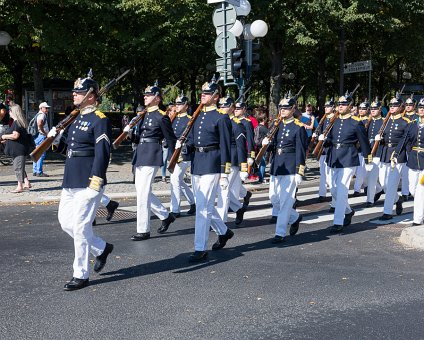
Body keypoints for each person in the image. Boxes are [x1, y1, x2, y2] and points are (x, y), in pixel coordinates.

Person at [49, 71, 114, 291]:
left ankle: (80, 274)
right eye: (74, 91)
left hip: (88, 180)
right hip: (71, 179)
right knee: (66, 223)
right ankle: (102, 248)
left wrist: (96, 180)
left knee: (80, 227)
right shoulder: (76, 118)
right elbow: (68, 149)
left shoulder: (100, 120)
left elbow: (102, 152)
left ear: (91, 95)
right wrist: (55, 140)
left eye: (78, 92)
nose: (74, 95)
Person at [177, 75, 234, 262]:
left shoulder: (221, 118)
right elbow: (193, 138)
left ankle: (200, 247)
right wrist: (183, 147)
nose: (203, 95)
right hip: (197, 162)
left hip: (212, 163)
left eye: (207, 93)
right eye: (202, 93)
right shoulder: (198, 115)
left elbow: (225, 146)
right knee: (206, 205)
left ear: (216, 96)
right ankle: (224, 231)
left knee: (202, 207)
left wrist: (224, 172)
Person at [128, 83, 177, 241]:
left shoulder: (161, 116)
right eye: (145, 95)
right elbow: (140, 137)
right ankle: (165, 215)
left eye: (148, 95)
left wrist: (173, 158)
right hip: (141, 154)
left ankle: (143, 229)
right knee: (142, 191)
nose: (145, 97)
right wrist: (130, 135)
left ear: (157, 98)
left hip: (152, 154)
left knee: (142, 192)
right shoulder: (143, 115)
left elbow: (170, 139)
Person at [319, 92, 371, 232]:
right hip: (334, 157)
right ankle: (348, 211)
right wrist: (323, 140)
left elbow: (364, 142)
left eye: (343, 104)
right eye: (339, 104)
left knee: (342, 190)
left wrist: (368, 160)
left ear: (350, 106)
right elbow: (330, 139)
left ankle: (338, 222)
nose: (340, 106)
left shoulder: (356, 122)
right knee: (334, 190)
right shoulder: (334, 121)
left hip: (348, 157)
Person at [262, 94, 307, 243]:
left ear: (293, 109)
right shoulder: (276, 125)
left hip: (290, 167)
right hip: (277, 165)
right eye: (281, 108)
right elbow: (273, 146)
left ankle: (279, 233)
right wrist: (266, 143)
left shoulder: (298, 127)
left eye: (286, 108)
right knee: (274, 198)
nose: (283, 110)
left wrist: (300, 170)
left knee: (286, 201)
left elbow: (301, 149)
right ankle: (295, 217)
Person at [376, 94, 411, 220]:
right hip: (385, 152)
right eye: (391, 105)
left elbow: (405, 139)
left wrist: (398, 153)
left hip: (397, 155)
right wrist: (379, 139)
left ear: (400, 107)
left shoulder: (405, 122)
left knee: (391, 185)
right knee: (384, 184)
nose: (392, 107)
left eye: (395, 105)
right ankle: (398, 199)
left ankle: (387, 212)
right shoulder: (386, 120)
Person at [216, 94, 248, 225]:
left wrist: (243, 167)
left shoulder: (237, 124)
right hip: (220, 159)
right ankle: (238, 208)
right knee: (223, 189)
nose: (222, 108)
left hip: (232, 160)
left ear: (232, 108)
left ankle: (221, 222)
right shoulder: (220, 121)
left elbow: (241, 147)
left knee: (224, 191)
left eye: (225, 106)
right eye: (220, 106)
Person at [393, 98, 424, 226]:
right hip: (412, 160)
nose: (422, 109)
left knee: (421, 189)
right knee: (412, 190)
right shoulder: (412, 124)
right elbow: (404, 139)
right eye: (421, 107)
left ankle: (417, 219)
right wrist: (396, 153)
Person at [169, 93, 196, 218]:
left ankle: (175, 209)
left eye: (180, 104)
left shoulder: (190, 120)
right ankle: (193, 201)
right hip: (173, 154)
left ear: (186, 106)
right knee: (178, 181)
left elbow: (192, 139)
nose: (177, 106)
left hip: (184, 155)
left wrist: (183, 147)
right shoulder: (174, 118)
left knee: (174, 179)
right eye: (177, 104)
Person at [0, 104, 32, 193]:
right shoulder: (19, 122)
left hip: (18, 150)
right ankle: (26, 182)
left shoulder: (16, 123)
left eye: (10, 111)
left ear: (13, 112)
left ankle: (20, 186)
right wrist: (6, 139)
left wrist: (4, 136)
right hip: (19, 149)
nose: (9, 113)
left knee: (17, 168)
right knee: (20, 167)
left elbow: (15, 136)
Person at [312, 98, 336, 210]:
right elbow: (319, 130)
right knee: (322, 174)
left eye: (328, 107)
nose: (326, 108)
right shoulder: (323, 119)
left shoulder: (335, 119)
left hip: (331, 150)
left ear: (333, 108)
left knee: (330, 176)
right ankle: (322, 194)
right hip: (322, 150)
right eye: (325, 107)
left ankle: (334, 197)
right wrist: (316, 135)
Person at [233, 101, 253, 207]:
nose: (236, 110)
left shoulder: (246, 122)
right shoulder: (230, 121)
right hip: (232, 154)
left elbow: (250, 140)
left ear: (244, 110)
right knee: (234, 180)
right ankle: (245, 194)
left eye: (238, 108)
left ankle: (234, 203)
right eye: (235, 108)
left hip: (241, 154)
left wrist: (250, 156)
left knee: (235, 182)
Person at [365, 97, 384, 207]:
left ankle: (371, 199)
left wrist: (381, 140)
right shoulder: (369, 121)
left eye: (375, 108)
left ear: (380, 110)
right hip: (369, 151)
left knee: (377, 178)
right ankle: (375, 194)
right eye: (371, 108)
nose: (372, 110)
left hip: (378, 152)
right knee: (368, 178)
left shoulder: (383, 122)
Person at [400, 96, 418, 200]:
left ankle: (405, 192)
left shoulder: (416, 116)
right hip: (401, 146)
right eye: (406, 105)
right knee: (402, 171)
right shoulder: (401, 116)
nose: (407, 107)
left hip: (411, 147)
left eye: (410, 105)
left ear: (414, 106)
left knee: (408, 171)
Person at [352, 101, 370, 196]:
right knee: (357, 171)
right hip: (354, 148)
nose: (361, 111)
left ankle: (357, 189)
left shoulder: (368, 120)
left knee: (361, 171)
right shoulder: (355, 119)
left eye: (363, 109)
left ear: (367, 110)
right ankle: (367, 185)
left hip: (362, 148)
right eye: (360, 109)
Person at [32, 102, 51, 177]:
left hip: (37, 136)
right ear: (41, 108)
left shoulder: (37, 114)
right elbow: (40, 124)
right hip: (41, 136)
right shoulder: (42, 115)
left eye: (47, 108)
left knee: (36, 153)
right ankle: (39, 171)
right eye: (46, 108)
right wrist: (45, 133)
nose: (47, 110)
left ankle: (35, 170)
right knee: (41, 154)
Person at [254, 112, 269, 183]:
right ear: (263, 119)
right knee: (263, 163)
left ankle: (260, 177)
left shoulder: (257, 127)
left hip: (257, 146)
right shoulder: (263, 128)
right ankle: (261, 178)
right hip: (262, 147)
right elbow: (269, 134)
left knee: (260, 162)